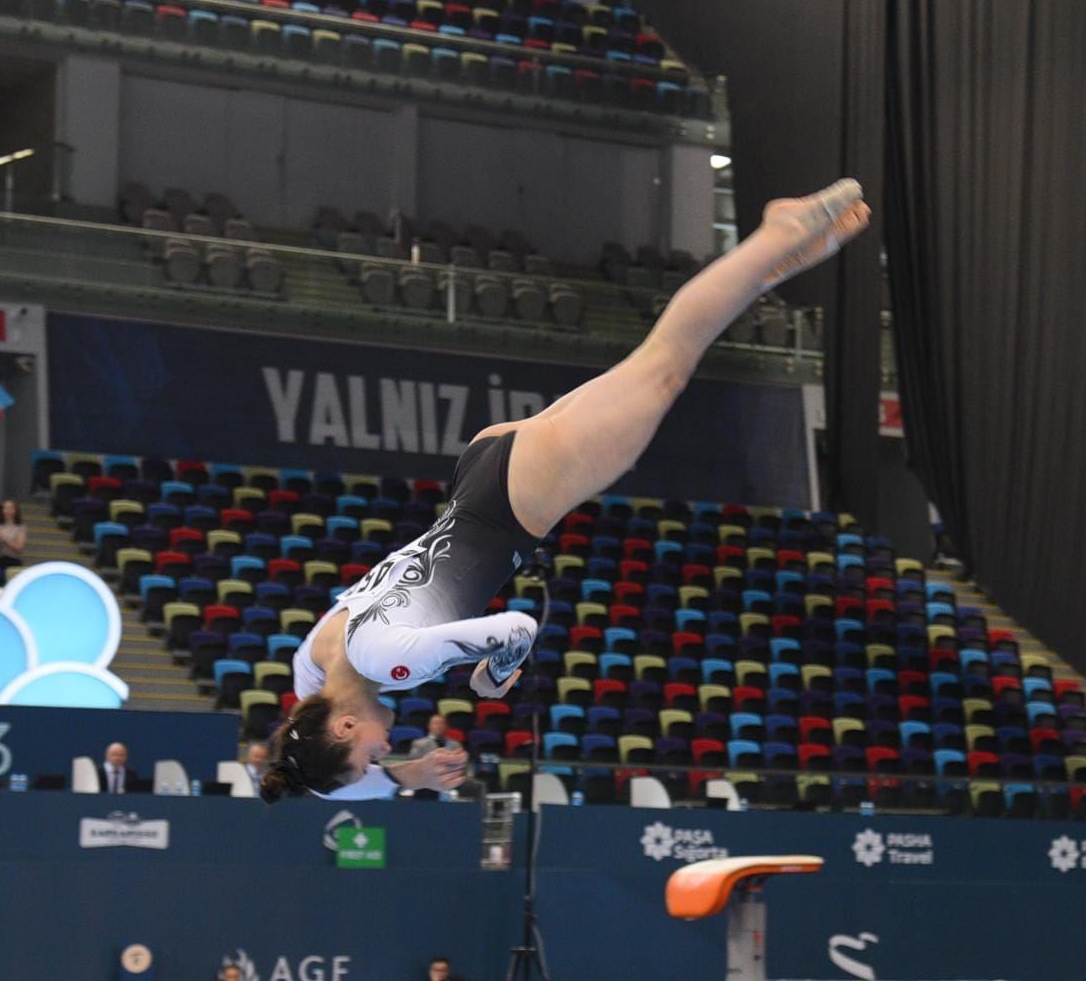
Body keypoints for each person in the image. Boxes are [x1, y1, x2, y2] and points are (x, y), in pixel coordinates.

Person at [261, 178, 871, 803]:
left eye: (368, 758)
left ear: (344, 725)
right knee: (659, 362)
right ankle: (781, 254)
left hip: (518, 500)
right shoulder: (315, 665)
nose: (383, 753)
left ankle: (780, 233)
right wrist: (400, 778)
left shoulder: (395, 664)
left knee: (665, 364)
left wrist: (493, 675)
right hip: (483, 476)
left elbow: (517, 629)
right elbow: (334, 785)